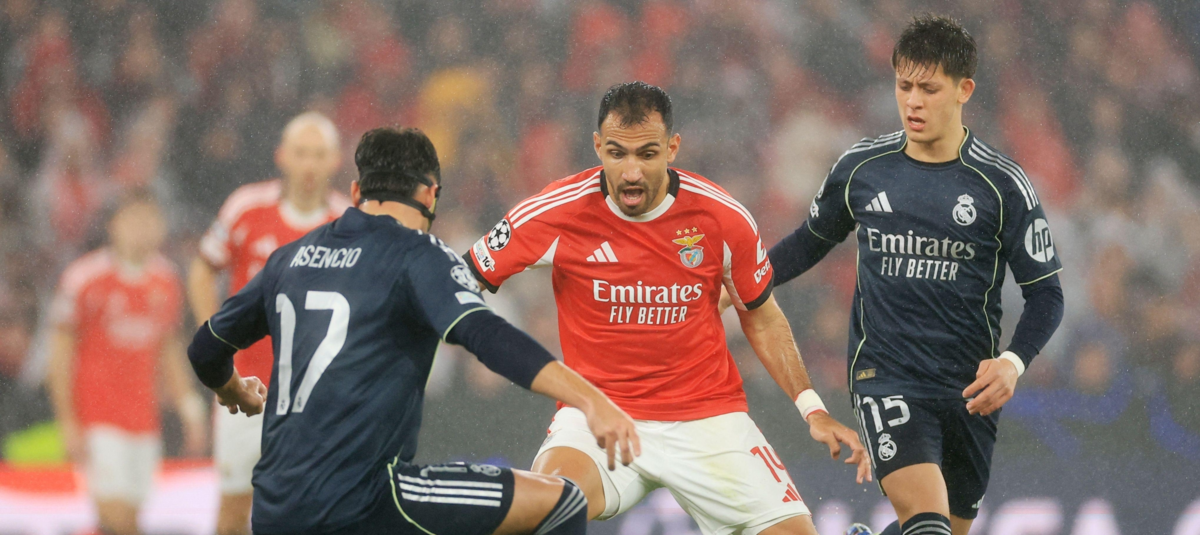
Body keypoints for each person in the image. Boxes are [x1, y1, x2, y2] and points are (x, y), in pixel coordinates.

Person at [186, 127, 640, 535]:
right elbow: (488, 337)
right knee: (562, 502)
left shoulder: (290, 258)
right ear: (431, 195)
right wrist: (589, 398)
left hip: (275, 511)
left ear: (355, 190)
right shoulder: (419, 255)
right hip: (365, 500)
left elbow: (205, 347)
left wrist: (233, 390)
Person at [464, 81, 869, 535]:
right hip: (599, 412)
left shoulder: (721, 217)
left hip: (707, 417)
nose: (631, 171)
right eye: (617, 154)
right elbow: (458, 284)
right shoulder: (556, 211)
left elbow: (761, 312)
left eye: (647, 154)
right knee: (542, 509)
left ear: (673, 148)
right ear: (597, 147)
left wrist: (811, 407)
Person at [761, 16, 1065, 535]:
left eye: (929, 88)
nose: (913, 102)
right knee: (927, 525)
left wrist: (1013, 362)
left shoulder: (1002, 185)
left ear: (964, 90)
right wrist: (740, 282)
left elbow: (1046, 295)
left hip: (969, 392)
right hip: (888, 379)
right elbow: (809, 244)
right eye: (904, 86)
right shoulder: (862, 168)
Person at [186, 111, 350, 535]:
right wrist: (218, 344)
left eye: (319, 155)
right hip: (246, 386)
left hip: (317, 395)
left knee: (316, 508)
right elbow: (203, 271)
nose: (309, 165)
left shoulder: (347, 222)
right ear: (282, 156)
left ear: (335, 160)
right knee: (235, 509)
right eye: (301, 153)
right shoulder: (246, 207)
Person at [47, 190, 206, 535]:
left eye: (149, 220)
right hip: (98, 417)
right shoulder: (84, 278)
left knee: (128, 520)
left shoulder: (166, 280)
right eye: (133, 219)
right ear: (113, 226)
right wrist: (68, 421)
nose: (142, 229)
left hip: (143, 418)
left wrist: (190, 407)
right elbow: (59, 356)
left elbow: (169, 351)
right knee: (118, 518)